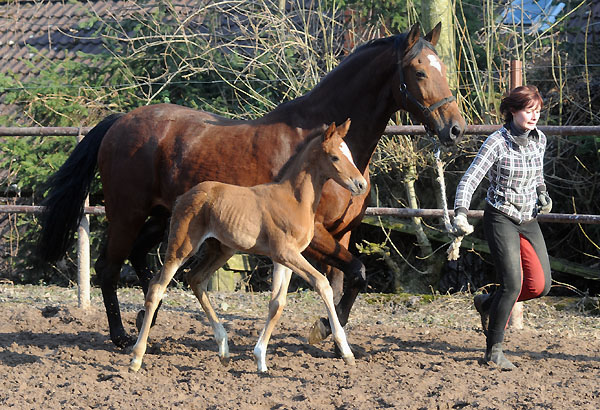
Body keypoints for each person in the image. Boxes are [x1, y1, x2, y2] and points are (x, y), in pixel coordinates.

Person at [452, 85, 552, 370]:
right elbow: (470, 179)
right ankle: (493, 352)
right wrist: (461, 212)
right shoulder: (497, 141)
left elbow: (538, 173)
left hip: (529, 217)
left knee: (541, 285)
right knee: (512, 284)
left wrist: (543, 193)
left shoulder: (539, 139)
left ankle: (487, 303)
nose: (534, 117)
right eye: (528, 111)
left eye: (537, 111)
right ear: (512, 111)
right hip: (501, 216)